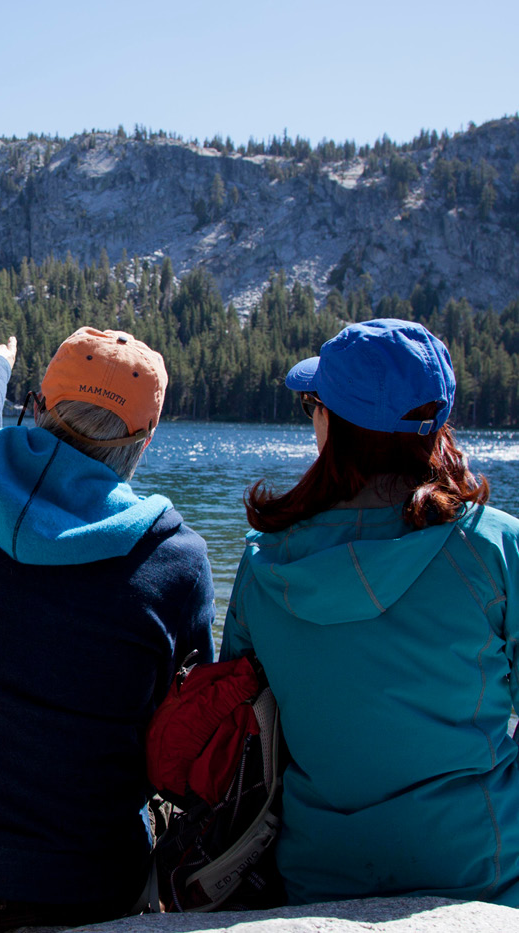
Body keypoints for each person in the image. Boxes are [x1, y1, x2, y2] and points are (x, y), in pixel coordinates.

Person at [0, 327, 215, 927]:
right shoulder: (175, 559)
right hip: (85, 892)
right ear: (146, 440)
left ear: (36, 407)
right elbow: (191, 727)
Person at [221, 317, 519, 906]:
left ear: (329, 423)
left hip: (317, 876)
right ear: (437, 425)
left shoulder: (265, 567)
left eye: (313, 404)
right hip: (482, 875)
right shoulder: (492, 550)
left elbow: (239, 719)